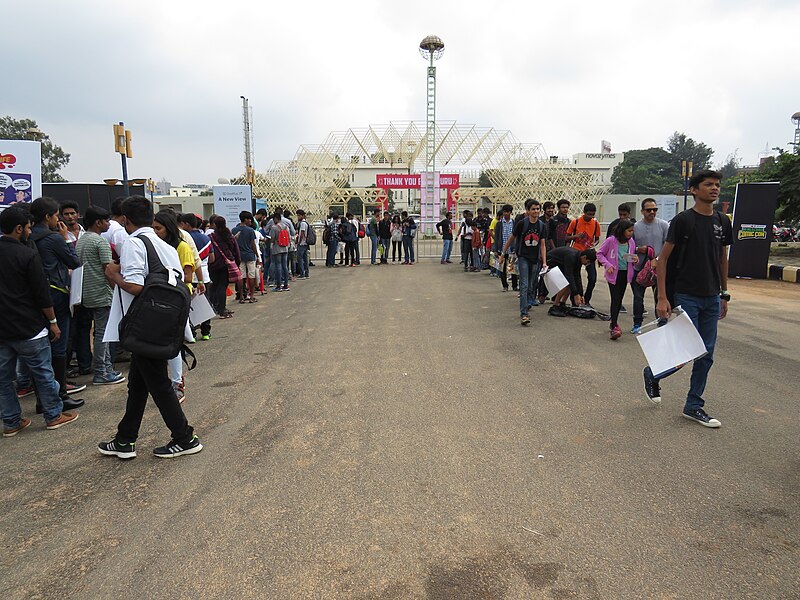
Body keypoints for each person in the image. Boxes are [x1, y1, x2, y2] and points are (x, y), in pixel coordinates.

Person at [99, 196, 202, 459]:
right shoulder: (163, 244)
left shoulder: (135, 243)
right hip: (161, 324)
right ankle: (125, 439)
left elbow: (135, 286)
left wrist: (114, 276)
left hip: (143, 326)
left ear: (125, 219)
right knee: (138, 383)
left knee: (158, 384)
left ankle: (185, 437)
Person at [644, 170, 732, 428]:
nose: (714, 189)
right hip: (686, 295)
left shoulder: (722, 221)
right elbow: (663, 260)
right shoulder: (683, 220)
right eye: (708, 185)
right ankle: (653, 373)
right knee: (682, 353)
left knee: (706, 354)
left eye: (717, 185)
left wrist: (724, 293)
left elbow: (722, 258)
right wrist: (662, 297)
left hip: (711, 297)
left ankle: (693, 406)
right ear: (694, 190)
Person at [0, 207, 79, 436]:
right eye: (27, 227)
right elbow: (41, 293)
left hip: (3, 330)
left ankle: (12, 422)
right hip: (29, 327)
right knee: (44, 373)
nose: (29, 231)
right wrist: (52, 321)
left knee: (4, 379)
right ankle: (53, 415)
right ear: (18, 229)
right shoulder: (27, 254)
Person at [29, 197, 86, 408]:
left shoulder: (26, 235)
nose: (59, 219)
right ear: (47, 217)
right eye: (56, 216)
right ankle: (60, 395)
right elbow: (74, 262)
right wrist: (66, 239)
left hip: (34, 298)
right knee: (58, 346)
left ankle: (42, 398)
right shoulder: (53, 238)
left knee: (39, 348)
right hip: (56, 295)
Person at [74, 206, 125, 385]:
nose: (108, 224)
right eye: (105, 221)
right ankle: (103, 371)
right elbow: (108, 270)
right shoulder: (100, 242)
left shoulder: (81, 240)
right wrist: (117, 289)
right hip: (102, 293)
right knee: (103, 334)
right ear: (98, 222)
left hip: (86, 293)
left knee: (95, 333)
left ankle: (101, 369)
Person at [153, 211, 194, 403]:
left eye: (158, 228)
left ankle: (177, 382)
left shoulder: (182, 247)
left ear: (168, 228)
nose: (155, 232)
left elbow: (187, 277)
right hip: (158, 298)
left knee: (173, 343)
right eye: (153, 228)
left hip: (176, 298)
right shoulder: (154, 246)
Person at [501, 200, 547, 325]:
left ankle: (527, 303)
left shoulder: (542, 226)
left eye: (538, 209)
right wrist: (503, 253)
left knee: (532, 284)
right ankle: (524, 313)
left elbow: (542, 244)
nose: (536, 211)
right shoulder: (522, 224)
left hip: (535, 259)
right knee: (524, 284)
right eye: (533, 209)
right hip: (523, 258)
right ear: (527, 211)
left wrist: (544, 261)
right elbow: (512, 238)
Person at [631, 198, 669, 334]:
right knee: (638, 296)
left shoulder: (664, 225)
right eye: (648, 210)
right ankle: (637, 323)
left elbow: (668, 246)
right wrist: (637, 250)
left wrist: (658, 259)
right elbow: (630, 245)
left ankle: (662, 322)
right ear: (642, 211)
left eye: (654, 209)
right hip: (640, 267)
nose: (652, 212)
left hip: (659, 268)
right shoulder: (635, 227)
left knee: (660, 295)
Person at [596, 219, 638, 340]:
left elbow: (631, 256)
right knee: (615, 299)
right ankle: (614, 325)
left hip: (625, 274)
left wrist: (634, 259)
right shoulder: (611, 240)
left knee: (619, 299)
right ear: (622, 230)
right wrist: (608, 265)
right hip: (614, 274)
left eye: (632, 231)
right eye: (629, 231)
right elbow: (600, 254)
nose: (630, 233)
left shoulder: (631, 242)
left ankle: (613, 322)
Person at [180, 213, 214, 340]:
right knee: (204, 304)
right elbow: (212, 258)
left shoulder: (183, 237)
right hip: (204, 276)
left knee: (189, 306)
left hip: (188, 276)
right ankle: (206, 332)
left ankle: (191, 333)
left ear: (187, 224)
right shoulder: (206, 238)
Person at [566, 203, 600, 306]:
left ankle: (587, 299)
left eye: (593, 215)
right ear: (584, 213)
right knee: (576, 277)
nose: (590, 217)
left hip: (588, 253)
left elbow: (597, 239)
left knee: (593, 278)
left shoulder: (595, 224)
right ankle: (575, 299)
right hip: (576, 253)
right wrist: (576, 236)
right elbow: (567, 237)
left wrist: (593, 244)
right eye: (589, 214)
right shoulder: (575, 222)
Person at [545, 247, 595, 316]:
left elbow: (577, 276)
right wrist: (575, 294)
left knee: (571, 283)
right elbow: (569, 275)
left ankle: (562, 303)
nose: (587, 264)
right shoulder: (571, 256)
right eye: (588, 262)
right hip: (549, 264)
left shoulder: (578, 258)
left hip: (560, 265)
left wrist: (580, 294)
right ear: (584, 257)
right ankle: (555, 306)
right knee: (566, 282)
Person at [208, 216, 240, 318]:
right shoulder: (229, 236)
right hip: (226, 264)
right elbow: (235, 250)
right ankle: (222, 309)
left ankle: (213, 307)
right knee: (222, 286)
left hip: (213, 264)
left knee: (214, 286)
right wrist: (236, 263)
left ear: (215, 225)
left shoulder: (211, 236)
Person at [232, 211, 260, 303]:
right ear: (245, 219)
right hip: (250, 255)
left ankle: (241, 296)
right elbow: (253, 245)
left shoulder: (234, 230)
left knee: (241, 277)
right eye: (249, 219)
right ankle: (251, 296)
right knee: (251, 276)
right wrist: (257, 256)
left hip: (239, 256)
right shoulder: (250, 231)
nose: (250, 221)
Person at [493, 204, 518, 292]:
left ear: (511, 212)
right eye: (504, 212)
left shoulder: (514, 223)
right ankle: (505, 286)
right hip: (501, 249)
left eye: (508, 212)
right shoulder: (499, 224)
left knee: (513, 269)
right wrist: (495, 250)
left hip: (512, 250)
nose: (506, 214)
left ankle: (515, 286)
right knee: (502, 269)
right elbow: (496, 237)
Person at [264, 211, 291, 290]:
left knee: (278, 265)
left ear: (276, 219)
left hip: (277, 247)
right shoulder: (286, 227)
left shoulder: (274, 227)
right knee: (285, 266)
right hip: (285, 247)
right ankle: (286, 284)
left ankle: (278, 285)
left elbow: (272, 238)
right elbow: (288, 237)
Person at [296, 210, 310, 279]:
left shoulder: (302, 224)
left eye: (299, 215)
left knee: (300, 259)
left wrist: (299, 242)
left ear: (302, 215)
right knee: (305, 259)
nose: (298, 217)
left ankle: (302, 274)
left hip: (302, 243)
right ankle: (306, 273)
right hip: (305, 243)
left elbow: (302, 233)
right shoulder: (306, 223)